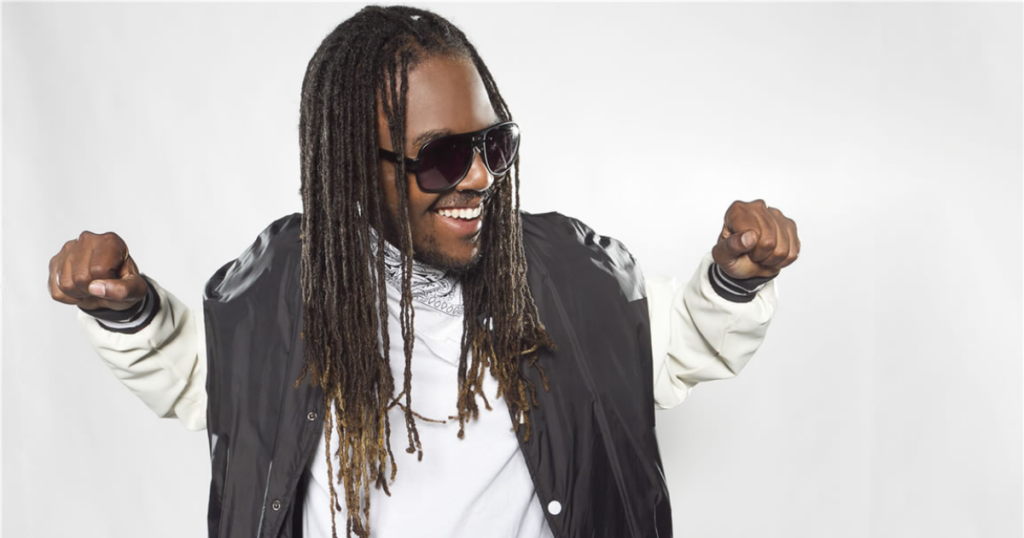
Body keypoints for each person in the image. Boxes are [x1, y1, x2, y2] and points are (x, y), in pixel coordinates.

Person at [46, 5, 799, 538]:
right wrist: (127, 310)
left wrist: (734, 280)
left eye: (493, 146)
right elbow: (207, 379)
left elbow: (667, 347)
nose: (479, 178)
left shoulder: (567, 271)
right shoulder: (288, 281)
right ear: (354, 167)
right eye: (441, 157)